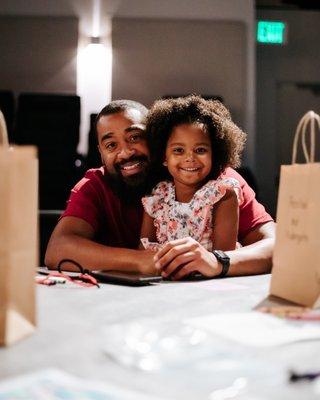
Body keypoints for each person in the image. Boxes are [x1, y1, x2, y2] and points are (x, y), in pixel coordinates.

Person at [45, 99, 275, 278]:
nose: (125, 152)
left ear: (156, 139)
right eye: (111, 145)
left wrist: (218, 262)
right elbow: (58, 250)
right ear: (101, 152)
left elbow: (279, 245)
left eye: (135, 137)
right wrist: (139, 260)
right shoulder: (94, 186)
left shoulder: (212, 178)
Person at [140, 96, 244, 262]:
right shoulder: (158, 197)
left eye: (200, 150)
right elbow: (143, 253)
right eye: (179, 150)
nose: (190, 158)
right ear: (164, 157)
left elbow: (222, 259)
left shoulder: (222, 195)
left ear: (214, 154)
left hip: (208, 284)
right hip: (162, 283)